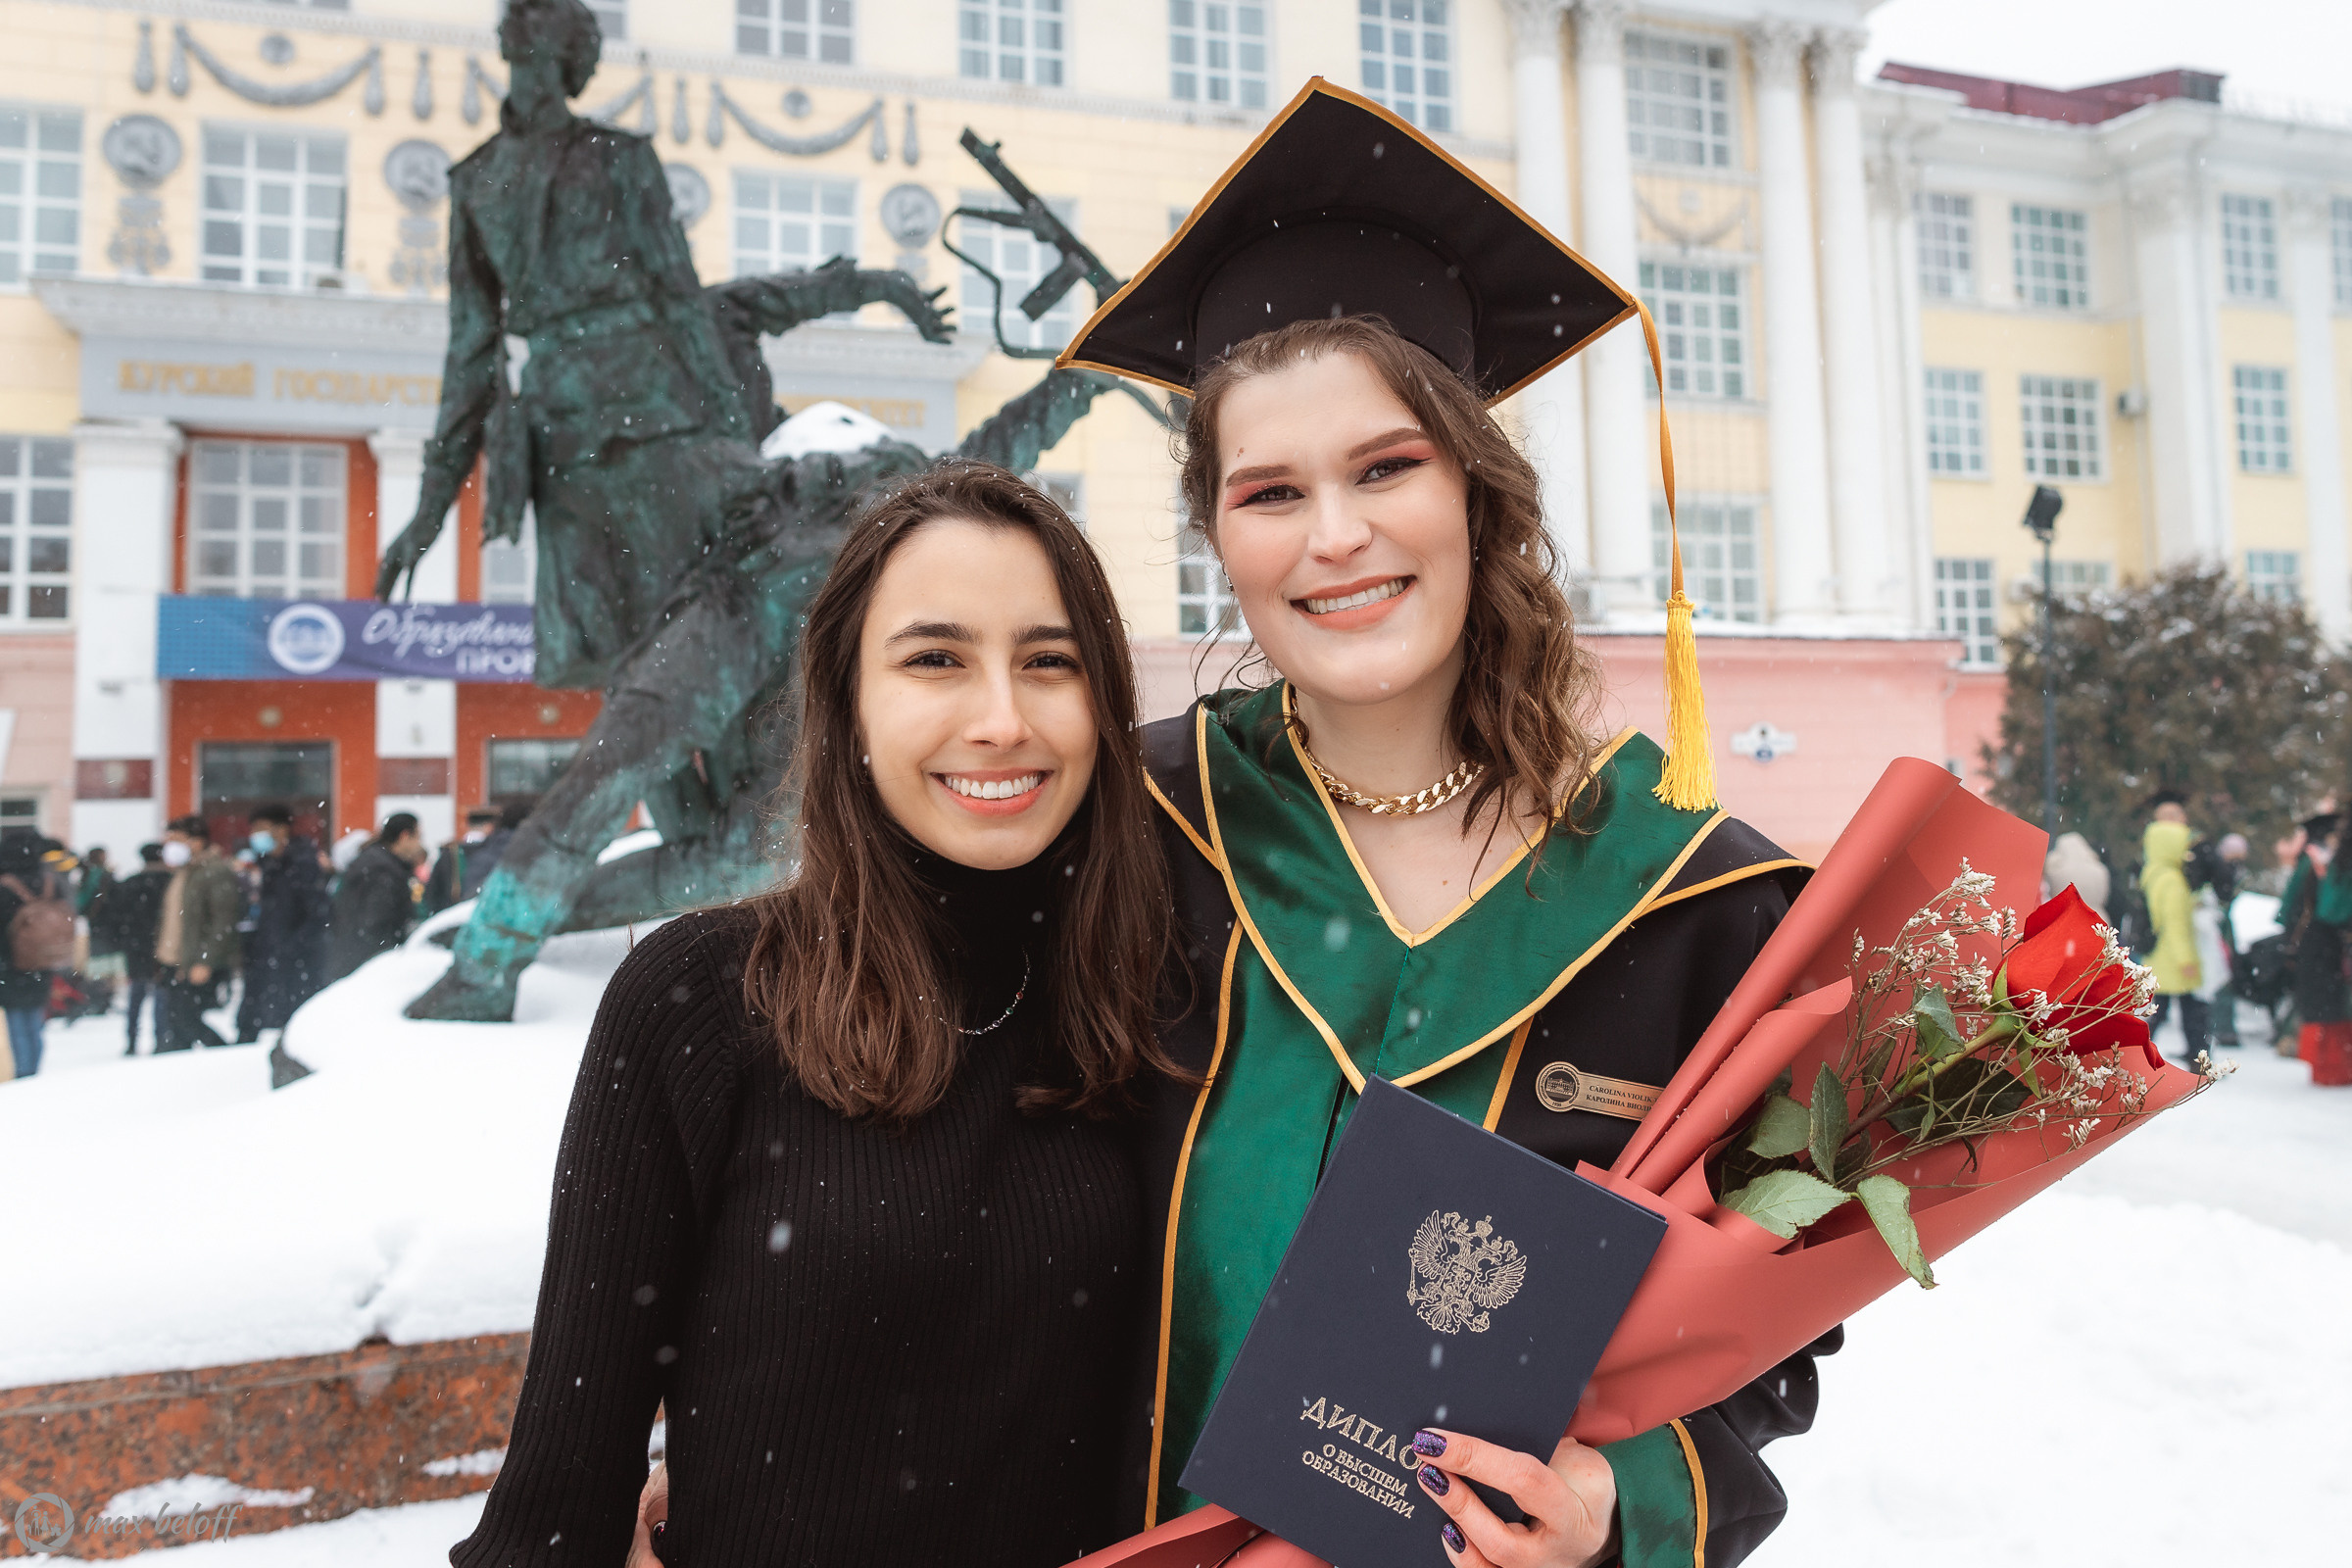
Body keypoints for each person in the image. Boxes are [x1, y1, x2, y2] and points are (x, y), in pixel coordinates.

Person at [1058, 81, 1825, 1568]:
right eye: (1270, 492)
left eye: (1386, 467)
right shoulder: (1130, 833)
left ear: (1478, 488)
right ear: (1218, 537)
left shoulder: (1698, 906)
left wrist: (1617, 1505)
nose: (1334, 535)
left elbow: (1767, 1343)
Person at [454, 464, 1179, 1566]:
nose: (1002, 718)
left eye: (1050, 661)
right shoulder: (699, 1001)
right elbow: (553, 1512)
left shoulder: (1151, 1000)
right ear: (847, 699)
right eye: (934, 659)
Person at [235, 805, 331, 1042]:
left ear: (281, 829)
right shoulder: (266, 865)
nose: (256, 835)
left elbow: (317, 913)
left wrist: (291, 946)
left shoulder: (303, 863)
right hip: (268, 955)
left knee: (295, 1025)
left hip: (296, 961)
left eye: (261, 828)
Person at [152, 817, 240, 1054]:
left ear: (197, 842)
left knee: (186, 1019)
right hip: (175, 960)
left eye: (176, 840)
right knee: (176, 1023)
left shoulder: (214, 871)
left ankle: (225, 1055)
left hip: (196, 962)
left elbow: (223, 921)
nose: (170, 846)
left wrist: (205, 960)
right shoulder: (184, 872)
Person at [1, 836, 76, 1079]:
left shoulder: (5, 886)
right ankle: (33, 1070)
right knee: (34, 1018)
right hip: (43, 959)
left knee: (16, 1020)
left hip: (10, 964)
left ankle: (24, 1073)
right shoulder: (48, 880)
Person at [89, 843, 171, 1055]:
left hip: (136, 945)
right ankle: (162, 1037)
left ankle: (132, 1039)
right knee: (162, 991)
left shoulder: (131, 883)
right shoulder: (171, 881)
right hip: (164, 944)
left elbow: (116, 916)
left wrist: (124, 939)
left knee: (137, 993)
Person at [2142, 809, 2207, 1065]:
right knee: (2190, 1011)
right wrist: (2186, 959)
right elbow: (2176, 924)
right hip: (2173, 956)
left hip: (2158, 953)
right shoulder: (2173, 880)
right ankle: (2199, 1058)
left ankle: (2136, 1054)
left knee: (2160, 1011)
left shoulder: (2152, 872)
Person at [327, 814, 426, 980]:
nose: (420, 844)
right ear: (404, 836)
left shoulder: (377, 862)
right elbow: (376, 923)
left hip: (352, 958)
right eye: (418, 837)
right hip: (366, 965)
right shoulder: (382, 870)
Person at [422, 805, 521, 914]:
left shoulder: (451, 852)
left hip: (451, 916)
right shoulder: (502, 851)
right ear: (490, 827)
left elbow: (432, 894)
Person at [2043, 831, 2111, 918]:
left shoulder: (2057, 870)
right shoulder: (2100, 870)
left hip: (2067, 917)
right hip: (2097, 917)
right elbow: (2105, 898)